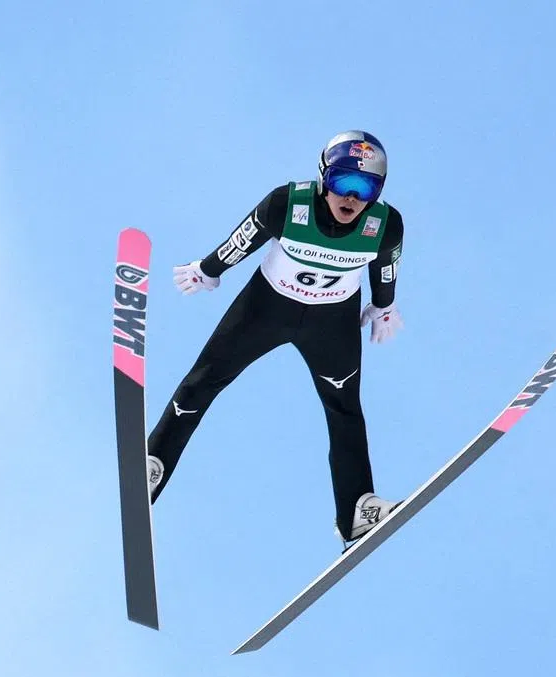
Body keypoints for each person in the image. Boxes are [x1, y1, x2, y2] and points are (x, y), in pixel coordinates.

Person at [146, 130, 406, 544]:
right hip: (266, 308)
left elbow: (386, 269)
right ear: (324, 178)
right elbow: (243, 239)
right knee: (204, 379)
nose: (352, 198)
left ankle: (356, 509)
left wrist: (384, 306)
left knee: (345, 409)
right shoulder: (287, 203)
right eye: (343, 182)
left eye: (366, 188)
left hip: (332, 321)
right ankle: (153, 462)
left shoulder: (385, 225)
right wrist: (209, 270)